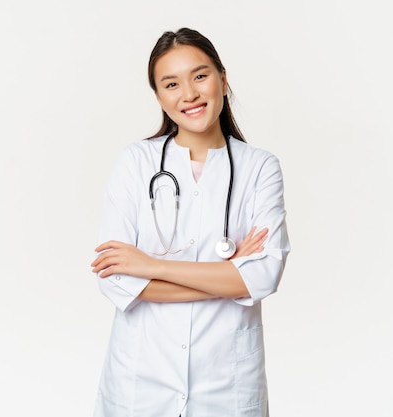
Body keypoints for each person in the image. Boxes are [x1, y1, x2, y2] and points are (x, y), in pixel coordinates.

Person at [90, 27, 290, 417]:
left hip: (226, 387)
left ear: (223, 78)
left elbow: (263, 277)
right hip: (141, 384)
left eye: (200, 76)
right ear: (159, 96)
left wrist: (151, 267)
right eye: (171, 83)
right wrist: (229, 276)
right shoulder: (136, 163)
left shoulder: (259, 168)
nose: (189, 94)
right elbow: (116, 279)